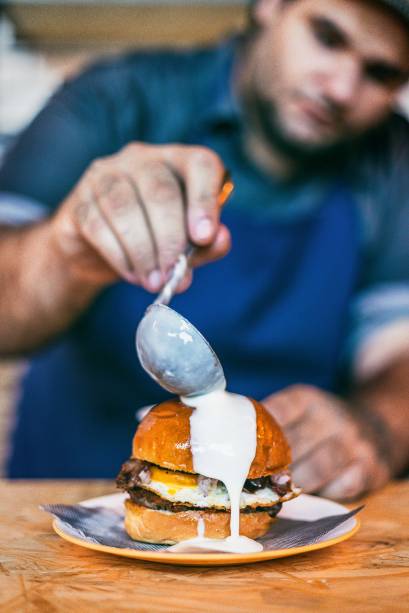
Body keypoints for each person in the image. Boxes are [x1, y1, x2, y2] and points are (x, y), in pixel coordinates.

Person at [0, 0, 408, 500]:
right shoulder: (114, 98)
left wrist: (377, 426)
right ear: (270, 6)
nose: (341, 89)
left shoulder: (394, 166)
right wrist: (68, 249)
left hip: (286, 517)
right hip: (69, 497)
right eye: (327, 36)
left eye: (380, 72)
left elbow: (397, 349)